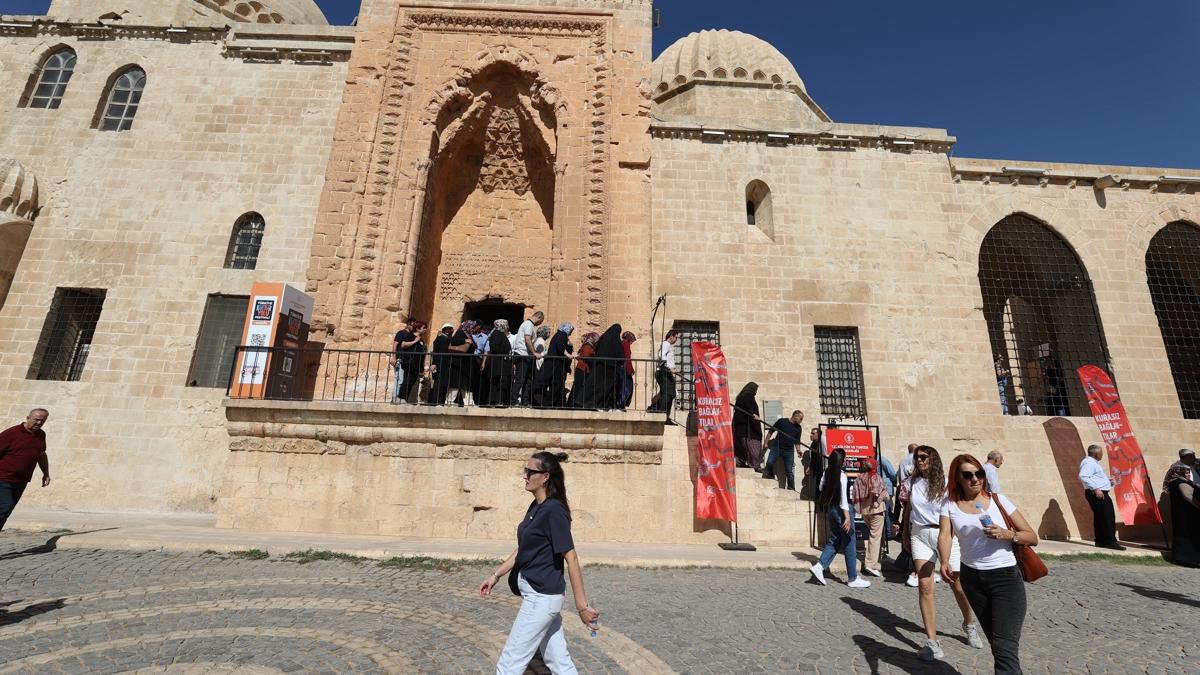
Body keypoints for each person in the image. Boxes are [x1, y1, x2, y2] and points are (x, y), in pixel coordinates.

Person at [480, 451, 599, 674]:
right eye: (525, 471)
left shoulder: (554, 511)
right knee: (559, 663)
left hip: (541, 598)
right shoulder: (536, 506)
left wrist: (582, 607)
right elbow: (524, 547)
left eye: (530, 471)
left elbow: (571, 557)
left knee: (509, 663)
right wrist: (495, 575)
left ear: (545, 477)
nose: (524, 476)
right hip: (539, 597)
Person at [939, 453, 1038, 674]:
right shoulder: (949, 504)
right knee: (998, 644)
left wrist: (1007, 534)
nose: (975, 479)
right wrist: (944, 560)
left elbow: (1032, 537)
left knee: (1004, 647)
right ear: (957, 479)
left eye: (979, 473)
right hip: (973, 579)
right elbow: (945, 535)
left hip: (1005, 578)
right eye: (968, 475)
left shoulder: (999, 500)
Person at [901, 445, 982, 661]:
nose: (919, 461)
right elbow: (909, 508)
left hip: (944, 534)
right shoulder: (913, 482)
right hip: (920, 534)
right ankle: (932, 642)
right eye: (916, 457)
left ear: (933, 459)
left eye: (923, 457)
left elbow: (958, 508)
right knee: (925, 585)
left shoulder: (947, 483)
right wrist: (905, 532)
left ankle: (969, 624)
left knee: (957, 584)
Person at [809, 449, 870, 588]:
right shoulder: (842, 476)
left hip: (831, 509)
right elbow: (844, 500)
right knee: (850, 543)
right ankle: (853, 578)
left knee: (835, 540)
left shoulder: (826, 472)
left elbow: (821, 487)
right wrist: (847, 518)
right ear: (841, 461)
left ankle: (819, 566)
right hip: (842, 511)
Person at [0, 409, 50, 531]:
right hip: (3, 479)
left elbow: (41, 454)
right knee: (5, 507)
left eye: (42, 420)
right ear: (28, 418)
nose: (39, 422)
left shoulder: (41, 435)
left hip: (21, 481)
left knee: (6, 511)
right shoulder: (11, 433)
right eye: (36, 419)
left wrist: (46, 473)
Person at [1079, 444, 1125, 550]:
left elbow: (1094, 478)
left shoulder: (1092, 463)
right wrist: (1096, 489)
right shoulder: (1089, 462)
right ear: (1096, 454)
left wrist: (1108, 482)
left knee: (1100, 517)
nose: (1102, 455)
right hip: (1097, 493)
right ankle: (1110, 542)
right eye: (1101, 453)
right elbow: (1083, 476)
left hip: (1098, 492)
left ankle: (1101, 541)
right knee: (1107, 517)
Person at [1163, 449, 1200, 568]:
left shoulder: (1193, 466)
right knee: (1186, 533)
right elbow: (1187, 494)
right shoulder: (1179, 469)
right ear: (1185, 457)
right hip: (1186, 509)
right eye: (1192, 456)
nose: (1194, 457)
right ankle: (1187, 560)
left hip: (1193, 507)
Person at [854, 456, 889, 577]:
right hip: (876, 510)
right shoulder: (876, 477)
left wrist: (859, 508)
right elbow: (883, 493)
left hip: (865, 511)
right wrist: (879, 500)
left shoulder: (859, 478)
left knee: (876, 534)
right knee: (875, 537)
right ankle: (870, 564)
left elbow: (855, 495)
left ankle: (878, 556)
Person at [534, 323, 574, 408]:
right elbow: (560, 346)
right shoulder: (562, 334)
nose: (570, 333)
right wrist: (568, 355)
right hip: (555, 364)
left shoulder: (558, 335)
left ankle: (550, 403)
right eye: (571, 331)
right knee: (556, 384)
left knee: (552, 384)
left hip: (553, 363)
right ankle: (547, 403)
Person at [763, 409, 803, 490]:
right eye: (801, 418)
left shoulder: (799, 428)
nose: (801, 421)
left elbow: (797, 441)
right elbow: (771, 431)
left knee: (789, 471)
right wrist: (766, 442)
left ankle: (791, 488)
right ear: (795, 416)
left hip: (789, 451)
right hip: (776, 447)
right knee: (769, 462)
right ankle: (770, 475)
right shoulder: (782, 421)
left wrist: (798, 450)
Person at [512, 311, 544, 406]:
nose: (540, 323)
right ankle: (513, 400)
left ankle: (525, 401)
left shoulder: (529, 325)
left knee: (527, 380)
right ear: (539, 317)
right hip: (522, 355)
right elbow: (527, 339)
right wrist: (534, 353)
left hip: (526, 355)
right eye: (541, 321)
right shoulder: (529, 325)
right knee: (520, 379)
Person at [445, 320, 478, 406]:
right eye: (473, 327)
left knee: (466, 384)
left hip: (466, 363)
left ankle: (469, 402)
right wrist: (465, 340)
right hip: (458, 363)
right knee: (455, 383)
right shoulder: (461, 333)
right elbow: (454, 341)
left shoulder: (469, 335)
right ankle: (449, 401)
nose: (474, 329)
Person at [732, 382, 763, 469]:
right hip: (748, 429)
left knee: (740, 448)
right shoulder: (748, 396)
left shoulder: (740, 397)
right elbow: (748, 405)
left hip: (740, 428)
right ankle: (755, 466)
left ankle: (741, 463)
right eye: (755, 389)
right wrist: (753, 414)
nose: (755, 392)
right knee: (753, 447)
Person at [390, 317, 421, 404]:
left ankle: (399, 398)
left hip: (406, 360)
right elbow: (395, 344)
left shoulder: (412, 335)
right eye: (412, 325)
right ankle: (395, 398)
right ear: (408, 324)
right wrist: (394, 357)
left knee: (403, 380)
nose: (413, 327)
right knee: (399, 379)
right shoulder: (401, 333)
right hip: (400, 358)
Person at [484, 319, 513, 407]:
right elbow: (494, 346)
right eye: (506, 325)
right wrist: (503, 354)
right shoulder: (497, 333)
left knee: (497, 382)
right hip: (498, 362)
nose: (507, 327)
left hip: (500, 362)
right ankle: (497, 401)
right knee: (499, 382)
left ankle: (494, 401)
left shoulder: (499, 333)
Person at [427, 323, 455, 405]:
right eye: (446, 329)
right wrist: (434, 363)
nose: (448, 330)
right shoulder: (439, 338)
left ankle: (441, 400)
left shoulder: (449, 339)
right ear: (443, 330)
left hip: (446, 362)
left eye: (449, 329)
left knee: (444, 382)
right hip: (440, 362)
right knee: (439, 382)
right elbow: (435, 351)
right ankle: (435, 401)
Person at [568, 332, 598, 408]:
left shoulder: (588, 345)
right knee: (578, 387)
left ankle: (574, 404)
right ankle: (573, 404)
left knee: (579, 387)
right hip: (583, 369)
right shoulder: (588, 346)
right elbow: (585, 356)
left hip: (583, 369)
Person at [651, 330, 678, 413]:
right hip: (664, 372)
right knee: (668, 392)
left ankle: (665, 413)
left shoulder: (667, 345)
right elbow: (662, 356)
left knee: (671, 393)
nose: (676, 340)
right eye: (676, 337)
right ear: (671, 336)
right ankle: (660, 410)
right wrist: (670, 368)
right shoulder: (666, 343)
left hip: (666, 372)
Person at [619, 331, 637, 409]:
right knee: (627, 387)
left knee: (624, 387)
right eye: (632, 340)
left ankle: (621, 404)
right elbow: (627, 358)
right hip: (624, 369)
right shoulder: (626, 344)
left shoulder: (622, 343)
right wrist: (630, 370)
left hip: (622, 368)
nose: (632, 342)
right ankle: (621, 404)